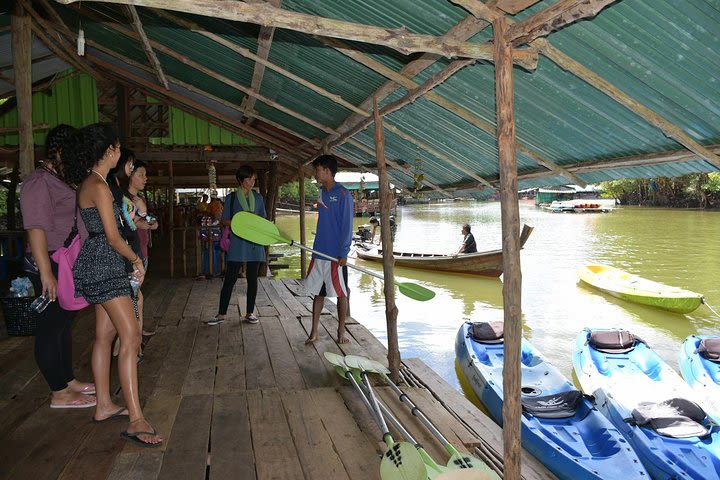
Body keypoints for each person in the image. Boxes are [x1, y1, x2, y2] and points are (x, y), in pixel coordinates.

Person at [63, 123, 162, 447]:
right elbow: (113, 236)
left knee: (104, 336)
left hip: (98, 262)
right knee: (131, 336)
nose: (121, 153)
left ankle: (104, 405)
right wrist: (135, 260)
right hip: (105, 264)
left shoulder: (93, 182)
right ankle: (136, 419)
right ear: (108, 151)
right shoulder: (99, 186)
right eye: (118, 147)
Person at [19, 124, 96, 409]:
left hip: (63, 260)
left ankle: (67, 380)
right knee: (51, 326)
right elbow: (36, 229)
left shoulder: (60, 178)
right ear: (60, 150)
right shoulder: (39, 181)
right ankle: (58, 393)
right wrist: (45, 272)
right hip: (48, 260)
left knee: (64, 323)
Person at [304, 154, 354, 345]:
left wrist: (344, 252)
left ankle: (341, 331)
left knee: (342, 293)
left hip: (336, 255)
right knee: (318, 293)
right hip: (319, 252)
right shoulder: (321, 193)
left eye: (318, 170)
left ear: (326, 171)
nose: (316, 173)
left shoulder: (343, 194)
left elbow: (347, 226)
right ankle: (314, 332)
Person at [207, 166, 266, 326]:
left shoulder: (258, 198)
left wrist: (254, 221)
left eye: (254, 179)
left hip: (254, 243)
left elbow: (264, 221)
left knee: (252, 279)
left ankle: (249, 313)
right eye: (249, 179)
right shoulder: (232, 198)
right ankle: (221, 314)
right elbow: (224, 221)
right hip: (237, 243)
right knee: (230, 278)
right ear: (241, 180)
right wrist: (241, 221)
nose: (252, 182)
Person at [124, 158, 158, 337]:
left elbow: (151, 223)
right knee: (134, 297)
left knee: (136, 296)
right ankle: (130, 340)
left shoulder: (139, 199)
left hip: (141, 249)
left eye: (146, 175)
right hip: (131, 253)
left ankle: (136, 331)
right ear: (129, 174)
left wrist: (149, 220)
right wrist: (146, 220)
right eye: (141, 175)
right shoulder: (124, 200)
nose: (145, 178)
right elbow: (141, 223)